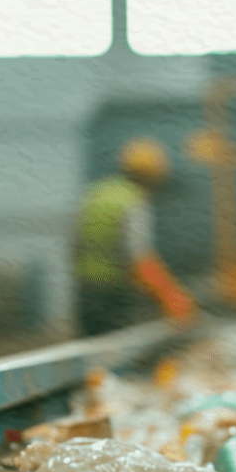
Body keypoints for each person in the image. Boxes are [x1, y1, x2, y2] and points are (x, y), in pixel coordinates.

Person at [73, 137, 196, 337]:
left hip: (85, 293)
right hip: (114, 297)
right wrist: (172, 298)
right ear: (154, 176)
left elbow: (75, 245)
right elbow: (139, 259)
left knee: (93, 356)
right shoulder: (132, 201)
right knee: (116, 357)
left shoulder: (96, 194)